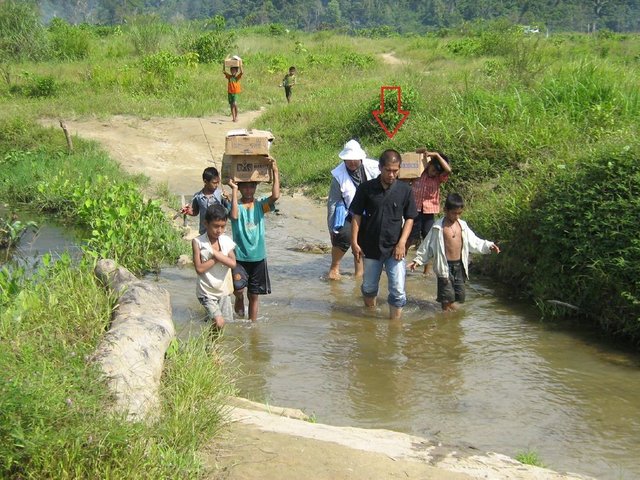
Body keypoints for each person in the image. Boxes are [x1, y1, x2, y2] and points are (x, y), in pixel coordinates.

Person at [350, 149, 418, 320]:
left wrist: (402, 242)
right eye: (388, 170)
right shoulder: (366, 189)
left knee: (397, 290)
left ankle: (395, 326)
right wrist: (354, 241)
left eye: (395, 170)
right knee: (369, 287)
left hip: (395, 248)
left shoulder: (405, 190)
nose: (392, 174)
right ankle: (370, 318)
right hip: (370, 246)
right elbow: (356, 215)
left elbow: (410, 218)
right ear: (380, 168)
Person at [408, 193, 500, 311]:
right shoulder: (438, 228)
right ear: (445, 210)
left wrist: (488, 245)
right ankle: (446, 320)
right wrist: (418, 260)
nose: (456, 216)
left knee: (458, 296)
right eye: (453, 213)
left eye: (459, 213)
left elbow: (474, 241)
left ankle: (452, 315)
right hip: (445, 267)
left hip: (460, 266)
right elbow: (427, 245)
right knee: (446, 299)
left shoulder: (463, 226)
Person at [229, 159, 280, 321]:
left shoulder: (261, 206)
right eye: (245, 186)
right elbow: (234, 216)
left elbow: (276, 196)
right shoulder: (236, 206)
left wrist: (275, 171)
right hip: (239, 257)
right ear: (241, 188)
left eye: (252, 186)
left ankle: (253, 325)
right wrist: (234, 191)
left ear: (256, 188)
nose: (248, 190)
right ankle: (238, 299)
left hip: (258, 257)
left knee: (254, 295)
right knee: (238, 289)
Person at [327, 139, 380, 280]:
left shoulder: (374, 168)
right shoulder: (338, 176)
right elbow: (333, 203)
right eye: (348, 160)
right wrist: (331, 228)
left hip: (369, 212)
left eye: (354, 159)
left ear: (361, 158)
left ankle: (359, 274)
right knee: (343, 236)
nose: (352, 163)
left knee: (364, 241)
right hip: (349, 212)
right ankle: (334, 267)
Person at [192, 204, 237, 330]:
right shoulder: (198, 242)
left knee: (222, 324)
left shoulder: (226, 241)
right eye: (216, 226)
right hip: (206, 292)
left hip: (223, 291)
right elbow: (199, 269)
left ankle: (211, 346)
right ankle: (210, 346)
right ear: (206, 223)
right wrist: (217, 258)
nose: (219, 230)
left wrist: (215, 254)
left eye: (223, 226)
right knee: (219, 321)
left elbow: (233, 263)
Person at [408, 150, 452, 249]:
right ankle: (402, 259)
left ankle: (427, 262)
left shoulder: (438, 178)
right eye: (433, 170)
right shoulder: (419, 172)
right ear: (430, 164)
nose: (434, 173)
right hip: (415, 209)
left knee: (429, 238)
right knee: (410, 237)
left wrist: (436, 154)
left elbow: (448, 170)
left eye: (437, 172)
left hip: (429, 211)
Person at [181, 167, 231, 235]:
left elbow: (231, 210)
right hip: (204, 233)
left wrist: (229, 198)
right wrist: (188, 211)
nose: (216, 185)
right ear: (205, 181)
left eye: (218, 182)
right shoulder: (198, 196)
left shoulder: (221, 195)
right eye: (214, 183)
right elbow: (195, 212)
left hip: (219, 233)